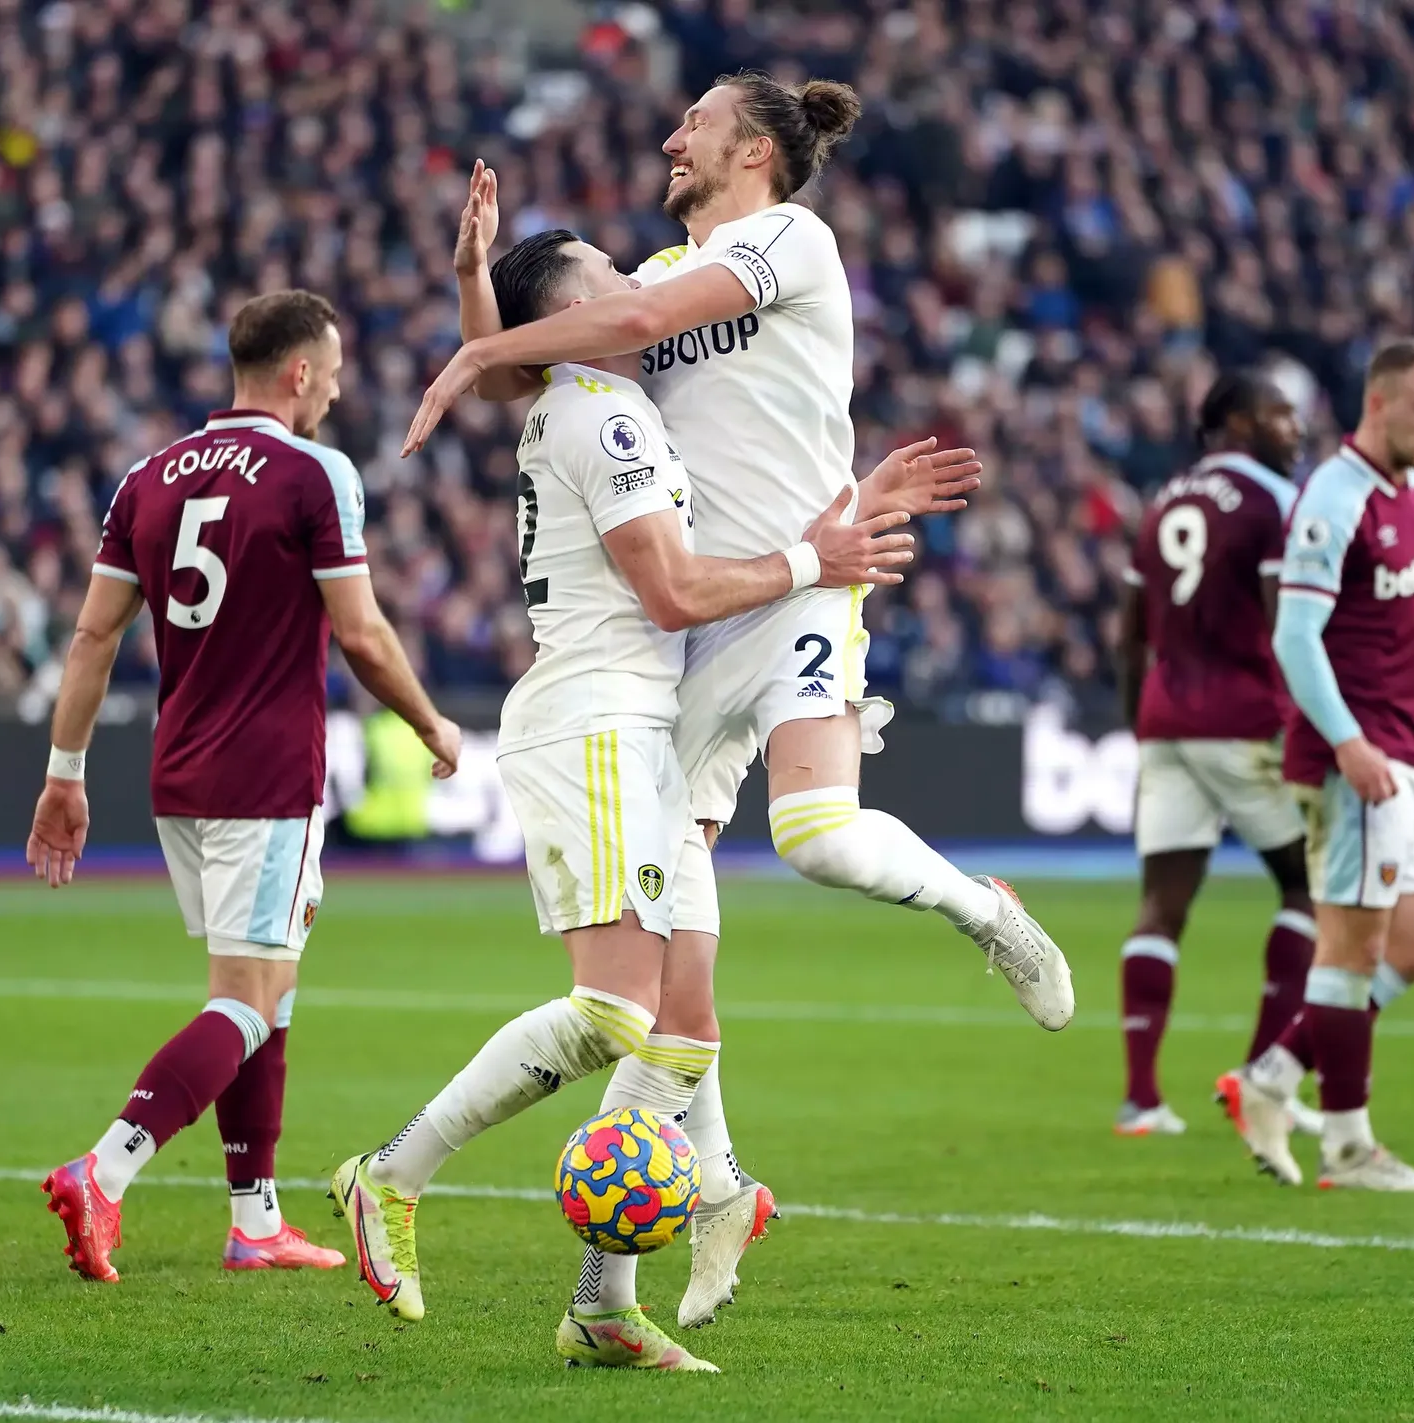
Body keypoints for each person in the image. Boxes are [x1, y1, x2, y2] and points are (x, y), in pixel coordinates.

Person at [412, 77, 1076, 1330]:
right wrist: (477, 297)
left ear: (753, 149)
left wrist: (482, 342)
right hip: (699, 625)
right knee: (667, 981)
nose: (669, 138)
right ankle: (650, 1250)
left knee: (819, 835)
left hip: (811, 577)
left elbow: (636, 316)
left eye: (692, 125)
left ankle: (983, 909)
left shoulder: (783, 240)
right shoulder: (651, 276)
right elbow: (540, 375)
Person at [328, 231, 914, 1369]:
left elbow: (497, 359)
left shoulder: (577, 398)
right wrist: (813, 562)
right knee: (615, 1016)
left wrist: (468, 287)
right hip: (596, 721)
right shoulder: (604, 411)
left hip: (642, 731)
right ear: (574, 308)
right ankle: (389, 1174)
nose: (637, 283)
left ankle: (604, 1305)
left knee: (685, 1027)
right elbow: (673, 587)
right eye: (612, 273)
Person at [29, 291, 464, 1280]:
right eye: (336, 367)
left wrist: (65, 772)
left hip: (179, 772)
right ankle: (104, 1169)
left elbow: (94, 633)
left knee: (270, 989)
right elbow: (358, 631)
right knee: (244, 998)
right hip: (268, 773)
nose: (342, 384)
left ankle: (254, 1217)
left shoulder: (146, 477)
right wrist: (431, 723)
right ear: (299, 373)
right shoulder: (314, 473)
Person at [1215, 338, 1414, 1192]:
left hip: (1404, 750)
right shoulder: (1333, 500)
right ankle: (1348, 1144)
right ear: (1379, 404)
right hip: (1356, 758)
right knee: (1350, 948)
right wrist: (1345, 740)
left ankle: (1270, 1077)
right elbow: (1294, 635)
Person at [1113, 372, 1320, 1139]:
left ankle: (1141, 1100)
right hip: (1245, 720)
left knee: (1161, 905)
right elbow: (1285, 621)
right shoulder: (1272, 500)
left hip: (1166, 719)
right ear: (1236, 421)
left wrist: (1141, 719)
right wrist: (1309, 722)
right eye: (1280, 412)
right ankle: (1265, 1075)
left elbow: (1129, 631)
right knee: (1312, 889)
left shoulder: (1163, 500)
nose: (1294, 428)